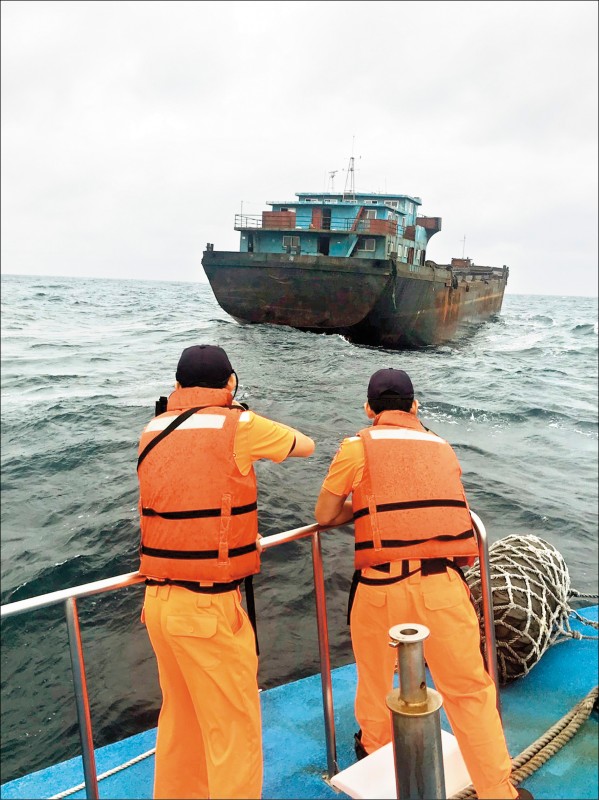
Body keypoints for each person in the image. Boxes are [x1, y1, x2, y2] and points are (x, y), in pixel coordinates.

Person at [315, 367, 526, 800]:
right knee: (469, 693)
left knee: (375, 685)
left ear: (369, 409)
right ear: (414, 406)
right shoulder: (442, 447)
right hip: (443, 586)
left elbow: (324, 515)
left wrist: (366, 512)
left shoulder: (356, 449)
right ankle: (498, 792)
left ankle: (377, 765)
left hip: (380, 589)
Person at [136, 344, 315, 800]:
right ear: (230, 383)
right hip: (209, 610)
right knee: (234, 735)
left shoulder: (150, 430)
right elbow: (304, 446)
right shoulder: (240, 425)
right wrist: (241, 413)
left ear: (176, 387)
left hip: (157, 606)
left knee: (181, 727)